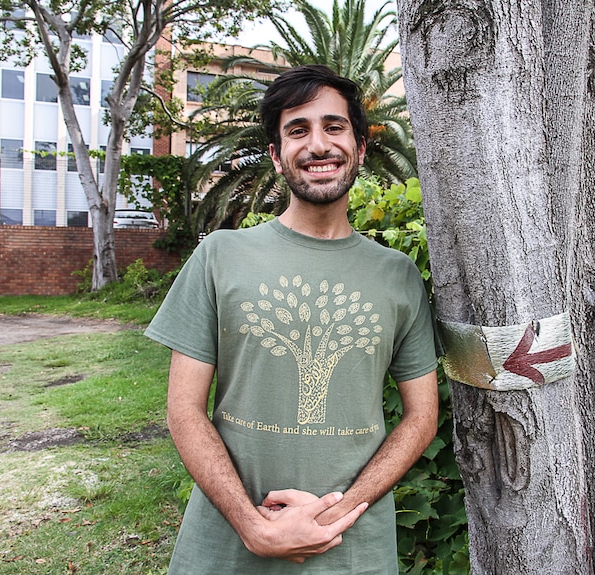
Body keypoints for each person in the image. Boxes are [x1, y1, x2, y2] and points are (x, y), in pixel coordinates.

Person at [144, 64, 439, 574]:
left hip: (350, 547)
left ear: (361, 146)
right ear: (277, 157)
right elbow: (184, 411)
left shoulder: (397, 275)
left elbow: (421, 417)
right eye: (297, 130)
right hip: (227, 542)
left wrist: (332, 516)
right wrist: (254, 527)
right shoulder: (221, 256)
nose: (318, 145)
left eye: (334, 126)